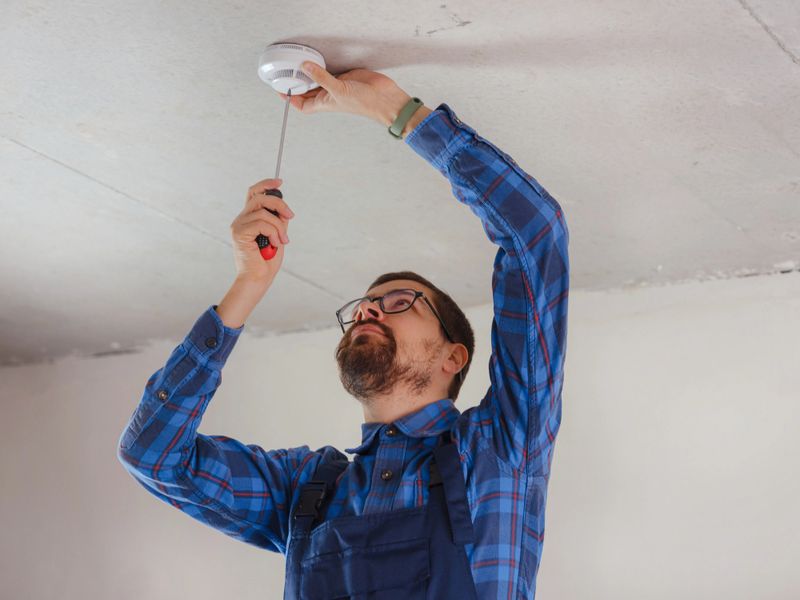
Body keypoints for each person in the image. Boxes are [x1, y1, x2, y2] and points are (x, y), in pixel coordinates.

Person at [117, 61, 570, 599]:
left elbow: (534, 233)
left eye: (399, 302)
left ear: (454, 357)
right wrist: (248, 287)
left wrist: (396, 111)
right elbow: (152, 453)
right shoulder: (304, 491)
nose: (367, 312)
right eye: (362, 307)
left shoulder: (497, 450)